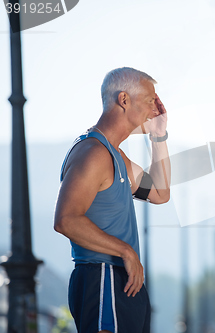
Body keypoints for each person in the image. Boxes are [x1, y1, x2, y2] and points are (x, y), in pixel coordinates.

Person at [54, 67, 171, 333]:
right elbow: (65, 220)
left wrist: (159, 136)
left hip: (122, 281)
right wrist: (126, 251)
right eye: (150, 100)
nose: (156, 110)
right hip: (103, 277)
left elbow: (161, 194)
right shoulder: (93, 153)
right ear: (124, 100)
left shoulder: (116, 157)